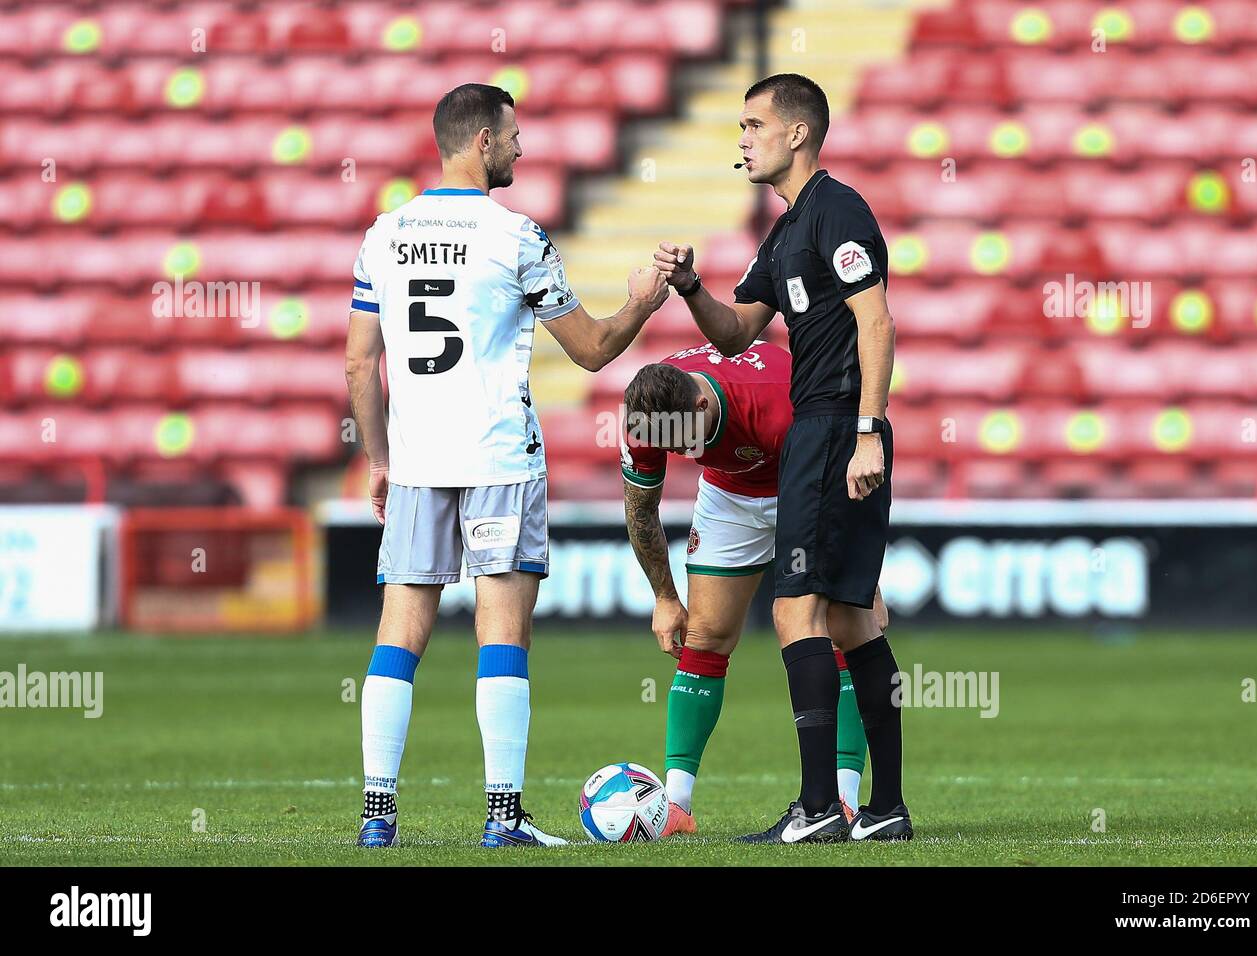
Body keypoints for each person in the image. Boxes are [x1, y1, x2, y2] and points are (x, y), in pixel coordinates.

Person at [345, 83, 668, 848]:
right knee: (503, 635)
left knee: (399, 632)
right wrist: (643, 304)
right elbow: (591, 350)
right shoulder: (516, 236)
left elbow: (361, 365)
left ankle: (377, 815)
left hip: (419, 457)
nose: (522, 148)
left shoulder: (383, 235)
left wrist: (379, 459)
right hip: (496, 453)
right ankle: (502, 817)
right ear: (482, 142)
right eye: (514, 135)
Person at [653, 73, 910, 843]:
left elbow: (878, 322)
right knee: (854, 618)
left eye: (753, 125)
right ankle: (884, 808)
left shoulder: (839, 211)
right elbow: (735, 333)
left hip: (834, 428)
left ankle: (817, 807)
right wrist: (692, 287)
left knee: (796, 609)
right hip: (825, 431)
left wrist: (868, 429)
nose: (743, 139)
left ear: (797, 133)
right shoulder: (788, 228)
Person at [620, 341, 889, 836]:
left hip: (806, 486)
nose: (678, 453)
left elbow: (845, 469)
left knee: (839, 632)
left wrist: (863, 579)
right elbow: (640, 509)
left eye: (683, 442)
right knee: (705, 637)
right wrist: (663, 596)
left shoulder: (776, 402)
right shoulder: (648, 417)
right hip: (728, 496)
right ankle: (676, 806)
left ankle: (845, 800)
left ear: (701, 404)